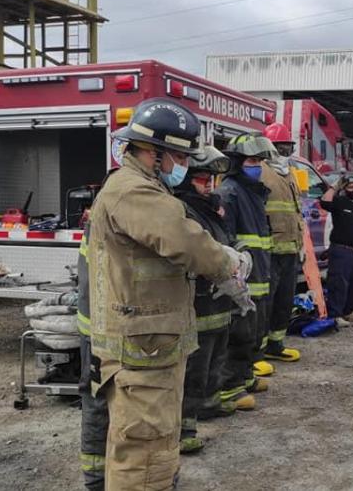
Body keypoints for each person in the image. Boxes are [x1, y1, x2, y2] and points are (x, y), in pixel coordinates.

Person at [87, 98, 251, 489]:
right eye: (178, 155)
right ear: (153, 152)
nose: (184, 165)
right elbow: (184, 239)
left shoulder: (139, 186)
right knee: (145, 453)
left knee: (152, 446)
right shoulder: (134, 192)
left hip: (149, 344)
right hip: (142, 350)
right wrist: (228, 264)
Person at [174, 146, 238, 454]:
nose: (209, 185)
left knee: (216, 356)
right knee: (193, 368)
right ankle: (184, 427)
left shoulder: (212, 207)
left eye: (212, 179)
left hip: (219, 299)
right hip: (197, 301)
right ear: (187, 181)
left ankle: (211, 402)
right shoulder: (183, 209)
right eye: (202, 179)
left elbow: (223, 240)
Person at [215, 133, 276, 409]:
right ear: (237, 163)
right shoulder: (230, 192)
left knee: (253, 333)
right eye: (252, 160)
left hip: (260, 275)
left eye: (260, 160)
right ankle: (230, 388)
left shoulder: (253, 191)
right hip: (243, 278)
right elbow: (227, 240)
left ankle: (245, 376)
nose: (258, 166)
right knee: (238, 336)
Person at [77, 166, 119, 491]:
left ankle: (104, 475)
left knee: (103, 401)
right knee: (98, 401)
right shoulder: (106, 221)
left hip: (100, 325)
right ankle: (95, 478)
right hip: (99, 329)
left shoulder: (100, 217)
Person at [261, 123, 304, 363]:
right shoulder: (261, 172)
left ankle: (276, 343)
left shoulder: (289, 174)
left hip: (291, 250)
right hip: (270, 251)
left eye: (288, 147)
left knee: (284, 301)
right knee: (265, 303)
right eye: (281, 147)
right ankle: (257, 350)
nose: (285, 152)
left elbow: (296, 212)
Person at [319, 176, 353, 328]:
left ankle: (348, 312)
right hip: (342, 250)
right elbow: (324, 201)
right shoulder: (339, 202)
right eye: (350, 187)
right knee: (338, 283)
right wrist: (335, 186)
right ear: (345, 189)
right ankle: (335, 314)